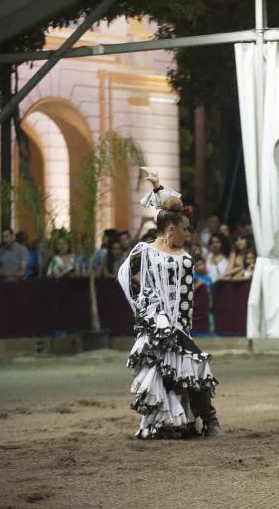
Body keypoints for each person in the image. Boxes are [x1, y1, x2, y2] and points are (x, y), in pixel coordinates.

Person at [119, 168, 221, 440]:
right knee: (168, 373)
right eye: (185, 229)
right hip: (156, 325)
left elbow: (187, 301)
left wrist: (181, 329)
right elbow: (124, 276)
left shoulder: (186, 258)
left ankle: (206, 420)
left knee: (190, 369)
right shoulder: (145, 251)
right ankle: (175, 423)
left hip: (177, 328)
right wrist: (144, 307)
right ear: (171, 229)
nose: (189, 234)